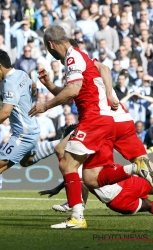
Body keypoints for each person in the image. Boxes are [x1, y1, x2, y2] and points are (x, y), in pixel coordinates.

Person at [28, 25, 153, 229]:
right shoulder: (81, 56)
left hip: (95, 119)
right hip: (112, 118)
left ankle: (77, 216)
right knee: (91, 178)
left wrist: (45, 105)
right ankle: (133, 168)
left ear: (51, 45)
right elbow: (83, 86)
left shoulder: (71, 57)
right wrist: (50, 86)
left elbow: (73, 90)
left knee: (67, 163)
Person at [0, 50, 56, 216]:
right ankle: (61, 143)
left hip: (23, 134)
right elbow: (33, 89)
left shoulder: (9, 82)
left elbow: (5, 112)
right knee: (26, 161)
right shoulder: (22, 74)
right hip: (32, 129)